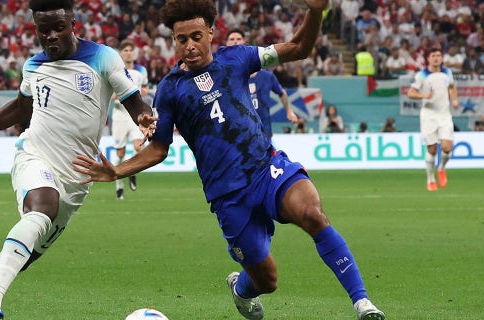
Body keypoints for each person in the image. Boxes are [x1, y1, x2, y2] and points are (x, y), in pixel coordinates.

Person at [72, 1, 384, 320]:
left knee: (313, 214)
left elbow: (299, 48)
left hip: (266, 168)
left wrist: (315, 12)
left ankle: (363, 303)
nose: (190, 45)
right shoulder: (170, 89)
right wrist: (116, 171)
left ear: (211, 31)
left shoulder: (238, 58)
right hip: (227, 195)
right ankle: (241, 289)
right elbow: (159, 148)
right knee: (267, 279)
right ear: (174, 41)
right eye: (182, 40)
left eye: (197, 36)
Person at [0, 0, 155, 319]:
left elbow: (134, 101)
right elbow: (21, 111)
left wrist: (144, 118)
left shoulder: (104, 57)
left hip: (78, 176)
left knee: (21, 258)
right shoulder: (33, 66)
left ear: (72, 24)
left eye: (58, 29)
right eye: (43, 30)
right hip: (35, 155)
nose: (50, 37)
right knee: (42, 208)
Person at [225, 29, 297, 138]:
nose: (235, 42)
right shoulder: (227, 75)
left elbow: (281, 93)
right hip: (240, 132)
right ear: (226, 43)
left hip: (264, 131)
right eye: (232, 39)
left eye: (238, 39)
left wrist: (289, 111)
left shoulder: (267, 76)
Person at [407, 48, 459, 192]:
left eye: (439, 55)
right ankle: (430, 179)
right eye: (433, 56)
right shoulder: (422, 75)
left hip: (444, 115)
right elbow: (410, 92)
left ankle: (441, 167)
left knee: (447, 147)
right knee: (432, 149)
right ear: (428, 59)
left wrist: (454, 100)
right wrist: (423, 96)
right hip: (429, 115)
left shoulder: (447, 73)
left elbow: (452, 87)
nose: (436, 58)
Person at [111, 39, 150, 199]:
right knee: (120, 153)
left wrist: (142, 92)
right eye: (125, 50)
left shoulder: (141, 70)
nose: (128, 52)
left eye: (130, 50)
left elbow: (145, 87)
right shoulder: (115, 70)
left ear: (134, 53)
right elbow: (110, 94)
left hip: (135, 114)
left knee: (139, 147)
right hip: (120, 114)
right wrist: (118, 95)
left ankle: (132, 172)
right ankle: (119, 183)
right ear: (121, 53)